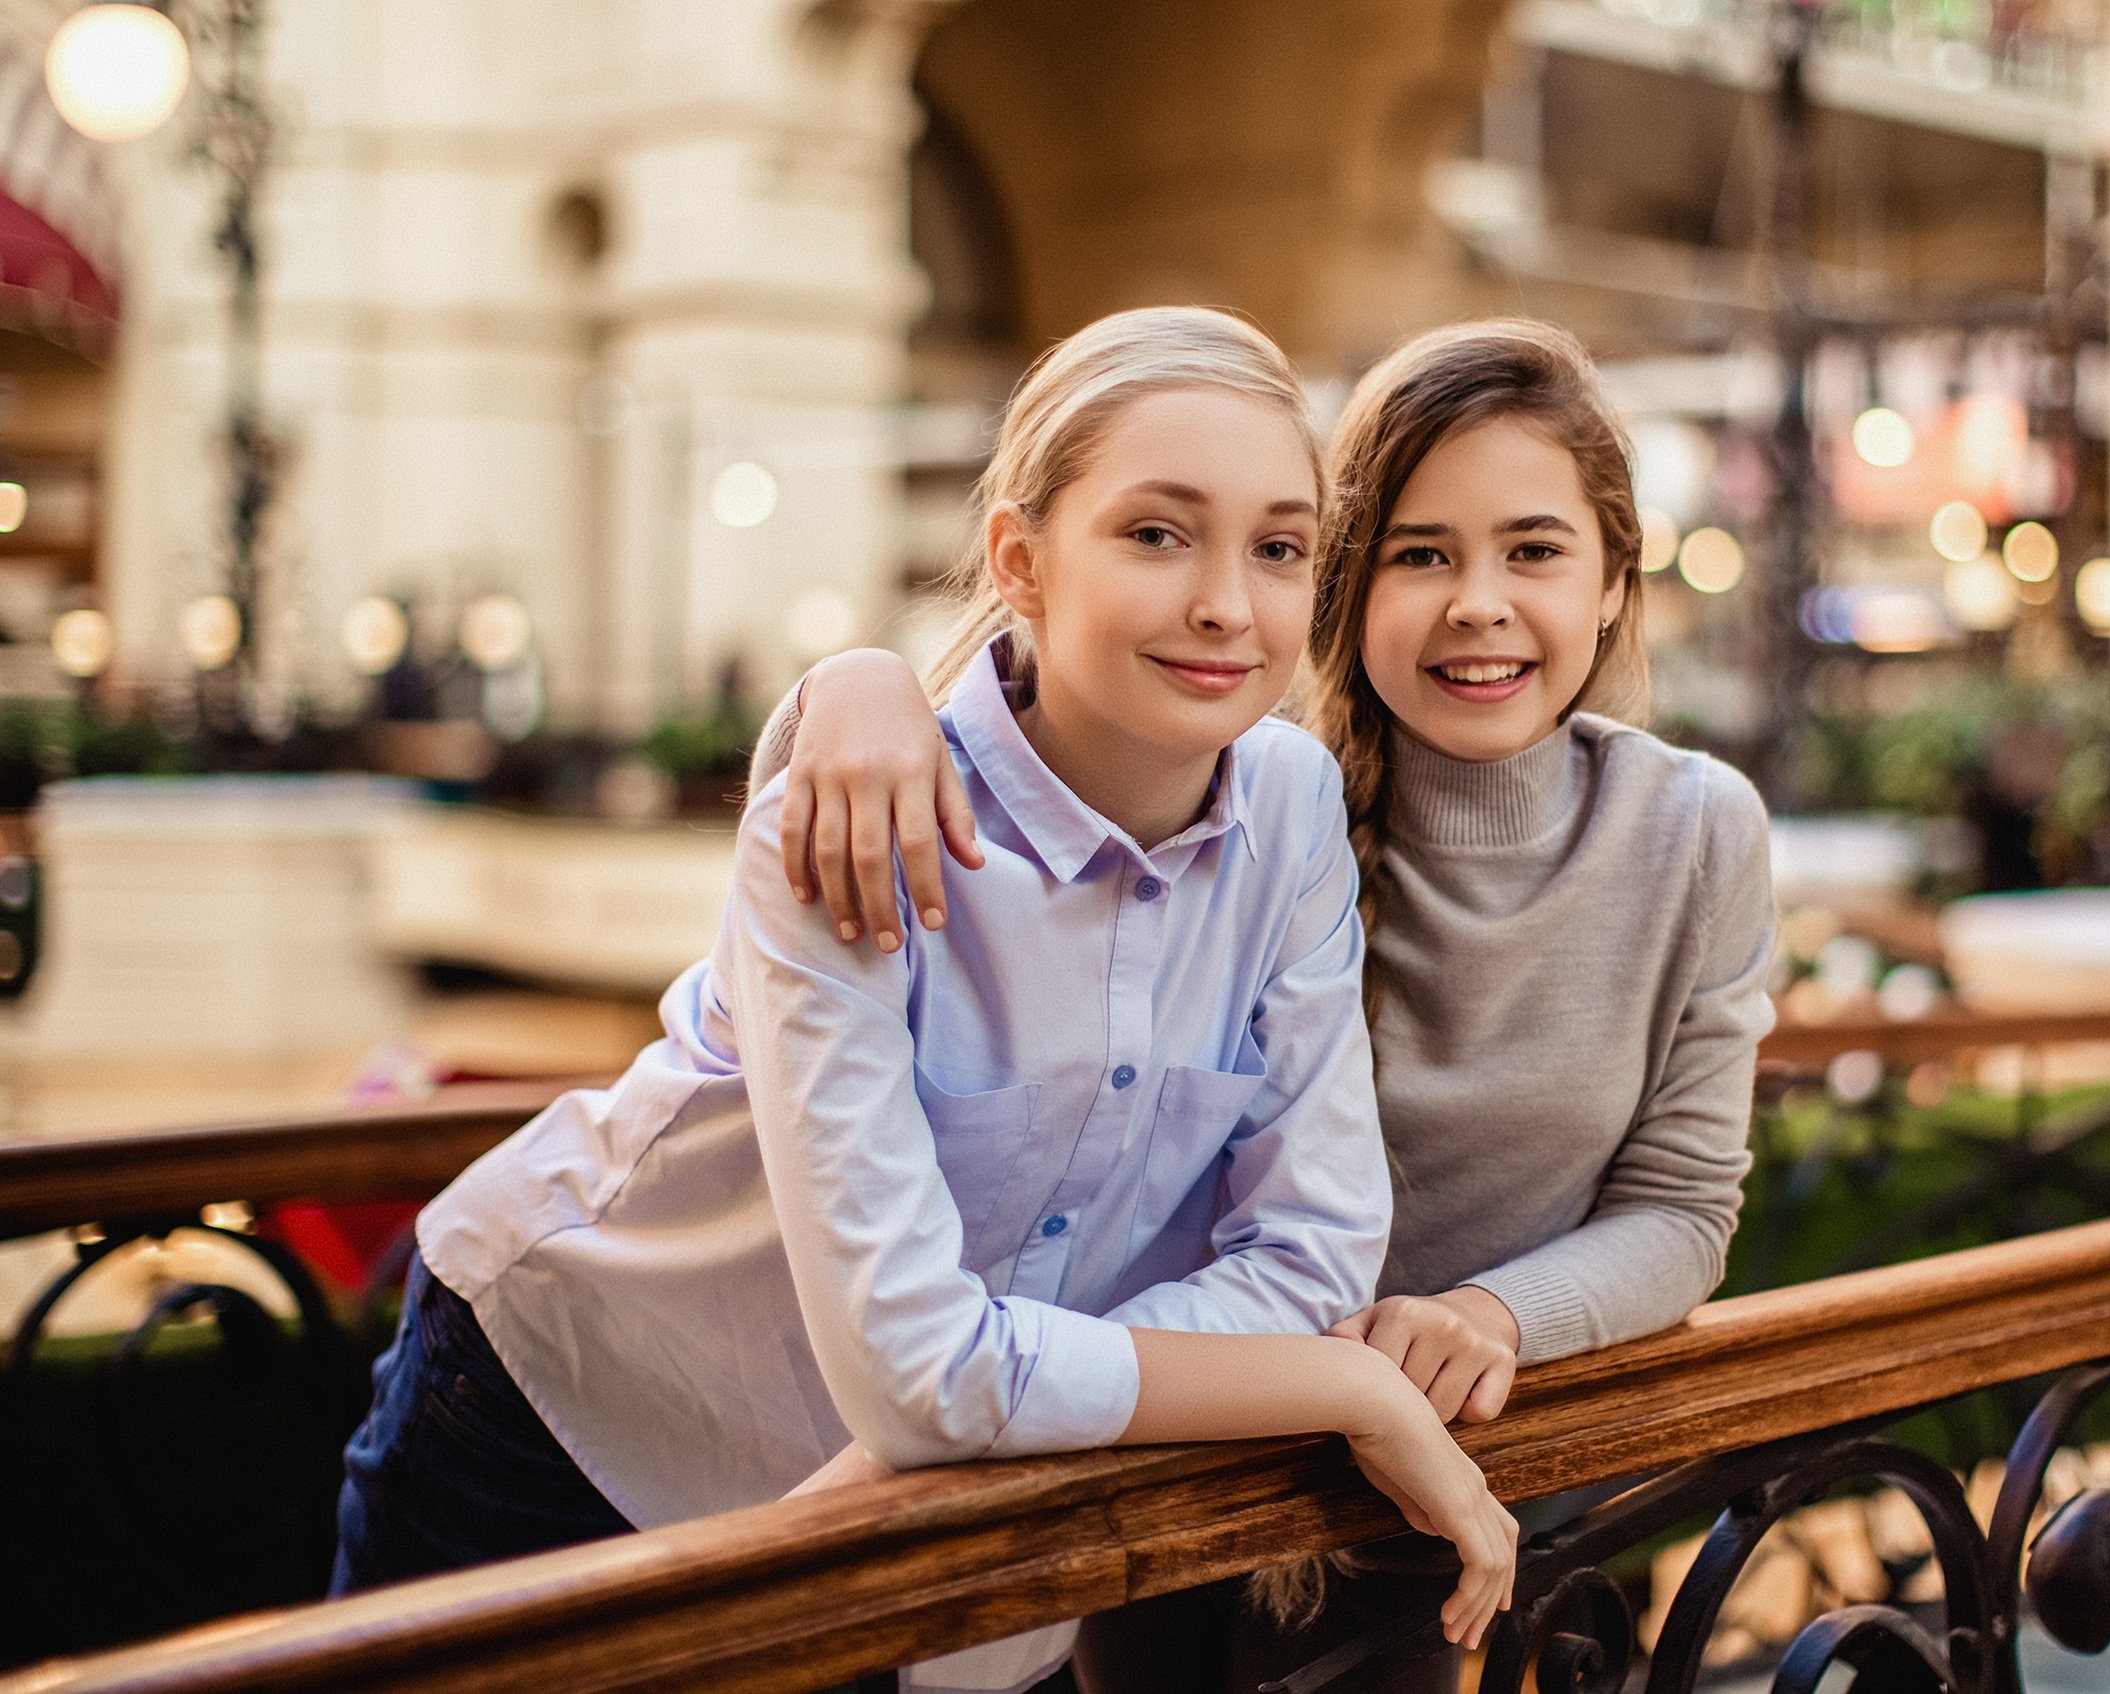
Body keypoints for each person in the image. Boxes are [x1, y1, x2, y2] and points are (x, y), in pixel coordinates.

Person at [330, 307, 1518, 1691]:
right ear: (1020, 559)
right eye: (1156, 533)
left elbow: (1309, 1260)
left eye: (1278, 546)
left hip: (917, 1510)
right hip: (568, 1417)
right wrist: (1337, 1382)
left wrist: (999, 1384)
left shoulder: (1293, 806)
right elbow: (923, 1376)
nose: (1228, 604)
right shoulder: (852, 820)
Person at [752, 318, 1777, 1692]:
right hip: (1171, 1448)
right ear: (1348, 591)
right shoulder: (1269, 801)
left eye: (1534, 550)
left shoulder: (1696, 833)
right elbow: (1034, 743)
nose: (1480, 602)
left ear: (1611, 583)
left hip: (1457, 1468)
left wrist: (1492, 1314)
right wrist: (851, 680)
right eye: (1422, 554)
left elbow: (1686, 1206)